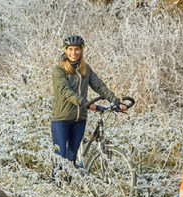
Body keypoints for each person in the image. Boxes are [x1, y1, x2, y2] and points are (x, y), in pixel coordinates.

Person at [50, 35, 126, 165]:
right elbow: (65, 91)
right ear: (65, 50)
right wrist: (84, 102)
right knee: (61, 158)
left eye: (77, 49)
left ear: (82, 50)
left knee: (71, 158)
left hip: (79, 119)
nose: (74, 53)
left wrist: (115, 101)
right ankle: (57, 183)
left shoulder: (85, 68)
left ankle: (70, 183)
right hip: (61, 119)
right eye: (70, 49)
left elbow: (99, 85)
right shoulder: (59, 69)